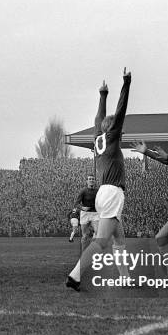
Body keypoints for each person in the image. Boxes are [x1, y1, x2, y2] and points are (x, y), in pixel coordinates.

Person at [66, 68, 131, 291]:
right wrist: (126, 83)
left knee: (119, 239)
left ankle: (125, 278)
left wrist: (102, 95)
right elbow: (121, 112)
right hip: (112, 192)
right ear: (113, 129)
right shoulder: (112, 138)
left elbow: (98, 119)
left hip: (104, 193)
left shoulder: (97, 139)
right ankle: (75, 276)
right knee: (102, 241)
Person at [75, 174, 100, 249]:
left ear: (95, 181)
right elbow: (76, 203)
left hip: (95, 214)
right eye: (90, 179)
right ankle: (84, 254)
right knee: (85, 235)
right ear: (87, 181)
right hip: (85, 214)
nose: (91, 180)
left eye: (93, 179)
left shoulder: (98, 191)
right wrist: (82, 208)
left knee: (98, 233)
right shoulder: (83, 191)